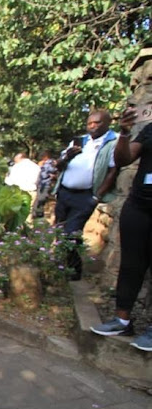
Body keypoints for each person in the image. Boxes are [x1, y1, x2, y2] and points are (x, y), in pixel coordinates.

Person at [90, 109, 152, 351]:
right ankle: (122, 320)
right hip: (139, 205)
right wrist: (125, 134)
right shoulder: (149, 130)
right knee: (130, 265)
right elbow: (125, 159)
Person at [53, 110, 118, 280]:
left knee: (71, 233)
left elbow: (113, 171)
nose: (93, 126)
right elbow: (58, 166)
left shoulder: (112, 142)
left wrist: (97, 196)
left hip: (85, 196)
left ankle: (73, 273)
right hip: (65, 192)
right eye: (90, 123)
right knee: (60, 230)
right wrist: (67, 156)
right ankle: (62, 264)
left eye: (97, 123)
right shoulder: (79, 141)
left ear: (107, 123)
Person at [32, 150, 57, 218]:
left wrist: (40, 166)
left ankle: (38, 214)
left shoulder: (50, 163)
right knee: (39, 199)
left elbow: (51, 171)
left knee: (41, 199)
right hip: (42, 183)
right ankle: (37, 213)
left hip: (45, 184)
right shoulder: (46, 163)